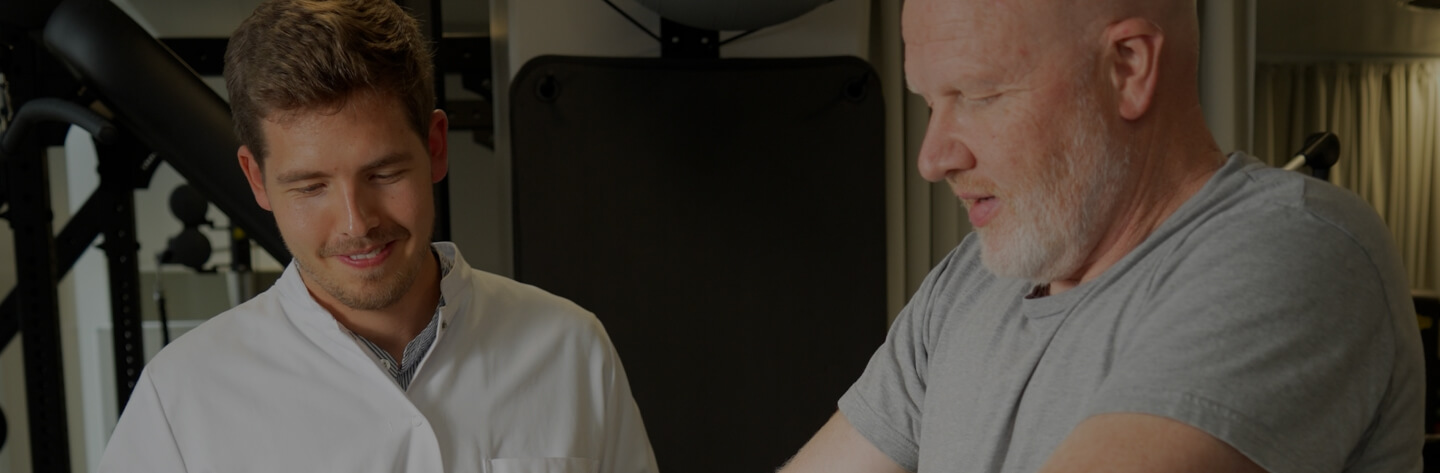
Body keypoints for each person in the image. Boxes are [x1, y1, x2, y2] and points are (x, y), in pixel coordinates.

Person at [778, 0, 1424, 472]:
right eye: (928, 103)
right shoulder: (967, 283)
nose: (933, 157)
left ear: (1127, 66)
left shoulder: (1296, 250)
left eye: (977, 94)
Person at [97, 1, 658, 471]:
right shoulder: (182, 397)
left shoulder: (571, 349)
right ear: (256, 180)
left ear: (436, 146)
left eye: (384, 174)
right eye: (311, 186)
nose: (356, 223)